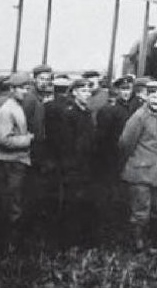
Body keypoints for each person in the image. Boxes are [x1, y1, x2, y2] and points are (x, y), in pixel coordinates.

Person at [119, 81, 157, 250]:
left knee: (154, 208)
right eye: (152, 93)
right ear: (146, 95)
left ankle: (148, 240)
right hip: (140, 172)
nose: (156, 96)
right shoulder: (139, 116)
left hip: (156, 172)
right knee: (140, 210)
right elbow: (125, 143)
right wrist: (136, 161)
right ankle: (137, 244)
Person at [0, 73, 35, 250]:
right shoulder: (7, 110)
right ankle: (8, 246)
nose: (26, 91)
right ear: (12, 89)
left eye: (27, 87)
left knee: (14, 202)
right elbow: (4, 140)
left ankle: (11, 244)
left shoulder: (15, 106)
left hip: (16, 162)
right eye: (22, 88)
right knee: (12, 204)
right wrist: (28, 139)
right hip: (10, 163)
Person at [57, 79, 99, 244]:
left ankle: (81, 239)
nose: (87, 94)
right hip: (73, 166)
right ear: (74, 92)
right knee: (71, 203)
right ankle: (67, 240)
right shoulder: (69, 113)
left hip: (86, 165)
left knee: (83, 202)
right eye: (83, 91)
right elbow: (66, 144)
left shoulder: (86, 112)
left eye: (89, 91)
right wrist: (70, 166)